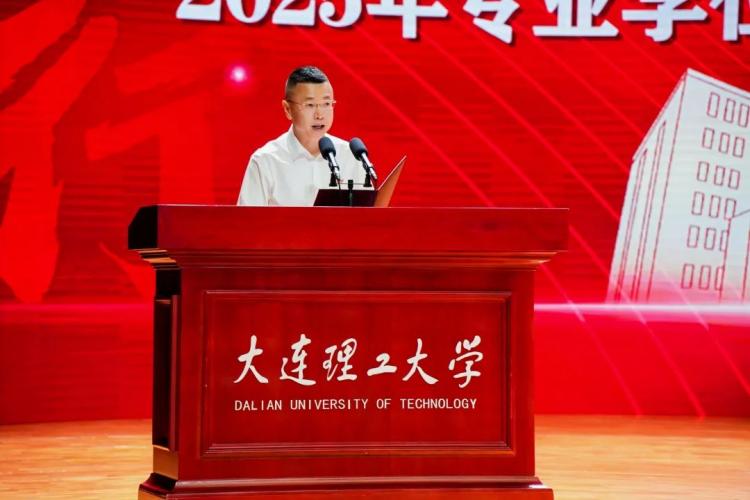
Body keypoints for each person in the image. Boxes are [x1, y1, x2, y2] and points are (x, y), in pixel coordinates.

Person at [237, 66, 369, 206]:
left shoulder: (351, 157)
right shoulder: (265, 161)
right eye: (310, 105)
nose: (319, 115)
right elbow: (247, 219)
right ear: (288, 109)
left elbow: (368, 216)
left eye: (326, 104)